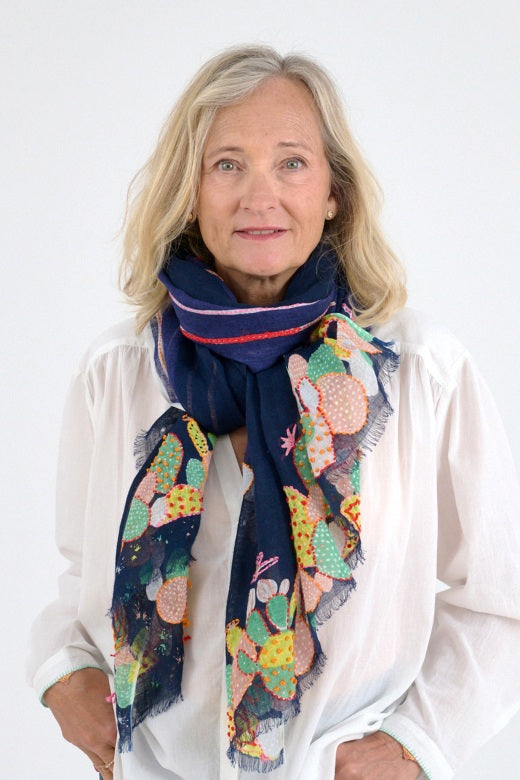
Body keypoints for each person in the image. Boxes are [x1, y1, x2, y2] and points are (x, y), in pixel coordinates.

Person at [27, 45, 520, 780]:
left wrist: (422, 745)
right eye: (227, 164)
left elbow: (500, 596)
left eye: (291, 162)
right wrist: (61, 669)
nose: (260, 195)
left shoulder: (420, 373)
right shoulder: (120, 372)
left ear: (333, 193)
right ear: (190, 191)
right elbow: (82, 574)